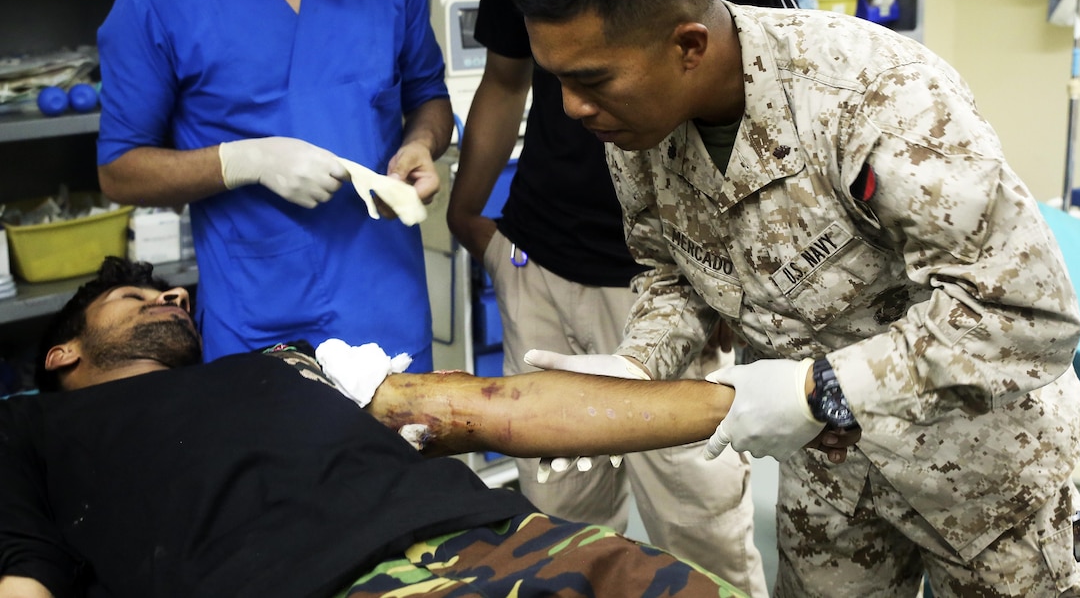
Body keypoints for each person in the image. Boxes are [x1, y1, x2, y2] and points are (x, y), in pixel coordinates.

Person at [509, 0, 1080, 597]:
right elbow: (672, 272)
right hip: (829, 475)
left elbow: (1025, 312)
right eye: (558, 79)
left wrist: (819, 388)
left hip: (979, 472)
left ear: (688, 45)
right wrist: (640, 366)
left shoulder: (874, 98)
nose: (572, 107)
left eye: (589, 80)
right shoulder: (635, 124)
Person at [0, 257, 750, 598]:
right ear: (63, 351)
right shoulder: (34, 423)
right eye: (134, 295)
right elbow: (25, 573)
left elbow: (500, 406)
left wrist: (766, 401)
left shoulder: (284, 361)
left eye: (168, 289)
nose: (169, 294)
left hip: (501, 534)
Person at [445, 0, 792, 589]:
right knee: (557, 521)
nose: (576, 106)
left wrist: (739, 278)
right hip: (534, 255)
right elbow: (506, 83)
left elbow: (771, 88)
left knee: (699, 523)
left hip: (671, 278)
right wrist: (468, 213)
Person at [95, 0, 453, 369]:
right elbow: (119, 170)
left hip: (386, 304)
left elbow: (428, 96)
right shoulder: (157, 3)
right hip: (260, 319)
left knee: (399, 444)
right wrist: (244, 161)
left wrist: (420, 145)